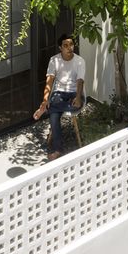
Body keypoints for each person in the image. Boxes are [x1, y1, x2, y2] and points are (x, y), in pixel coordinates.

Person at [33, 33, 85, 161]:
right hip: (59, 92)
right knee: (54, 115)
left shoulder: (79, 61)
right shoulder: (54, 60)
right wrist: (45, 99)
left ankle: (47, 108)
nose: (69, 48)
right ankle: (58, 149)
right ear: (60, 48)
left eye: (71, 44)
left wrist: (78, 98)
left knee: (66, 108)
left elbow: (80, 81)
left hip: (74, 93)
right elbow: (49, 81)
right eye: (65, 45)